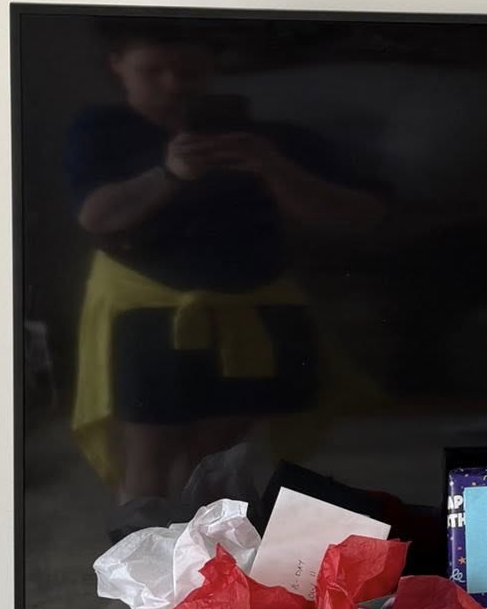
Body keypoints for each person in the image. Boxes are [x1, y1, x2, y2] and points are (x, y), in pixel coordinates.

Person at [66, 25, 376, 500]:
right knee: (149, 449)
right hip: (147, 308)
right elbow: (97, 217)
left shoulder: (271, 139)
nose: (173, 83)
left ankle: (210, 562)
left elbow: (359, 213)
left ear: (211, 70)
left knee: (219, 453)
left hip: (255, 307)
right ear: (118, 66)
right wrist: (169, 174)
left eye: (189, 71)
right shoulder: (99, 130)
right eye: (154, 71)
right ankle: (140, 564)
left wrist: (273, 167)